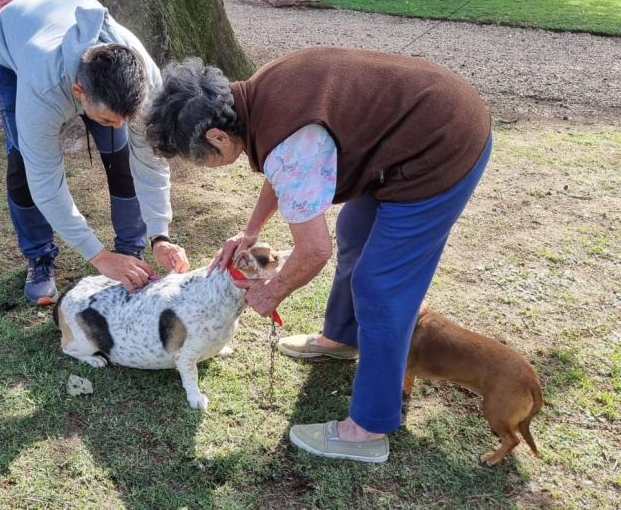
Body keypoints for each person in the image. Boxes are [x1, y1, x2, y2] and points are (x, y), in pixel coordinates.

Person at [145, 47, 491, 463]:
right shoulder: (254, 98)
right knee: (353, 232)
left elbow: (312, 250)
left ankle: (367, 430)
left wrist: (272, 292)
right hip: (414, 129)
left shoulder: (288, 140)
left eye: (194, 159)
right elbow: (283, 167)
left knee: (380, 288)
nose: (199, 167)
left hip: (442, 146)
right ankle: (342, 339)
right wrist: (250, 230)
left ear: (216, 136)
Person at [0, 0, 189, 302]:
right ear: (78, 92)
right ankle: (39, 258)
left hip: (70, 25)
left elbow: (150, 160)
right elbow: (46, 180)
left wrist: (159, 234)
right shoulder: (42, 88)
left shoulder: (147, 80)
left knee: (120, 155)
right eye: (109, 118)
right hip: (14, 39)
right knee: (22, 163)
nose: (119, 124)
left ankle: (130, 249)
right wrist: (97, 256)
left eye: (127, 117)